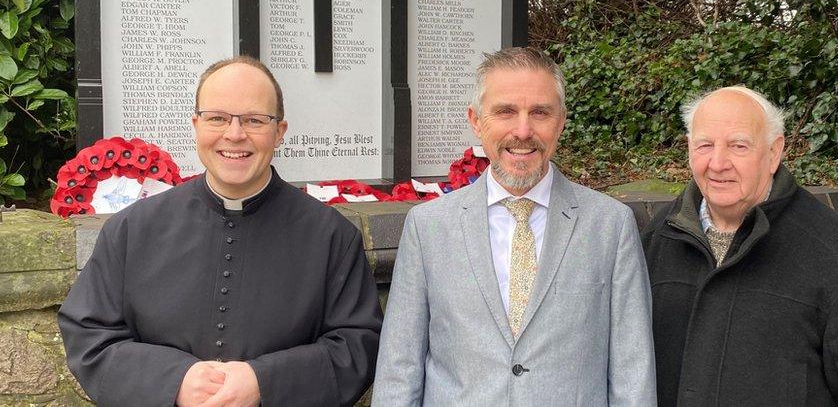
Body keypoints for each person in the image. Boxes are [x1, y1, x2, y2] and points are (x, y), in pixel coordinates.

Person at [58, 56, 383, 407]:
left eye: (255, 120)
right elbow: (88, 334)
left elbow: (358, 345)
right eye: (217, 118)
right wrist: (174, 379)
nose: (234, 134)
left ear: (280, 132)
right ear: (196, 125)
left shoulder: (332, 237)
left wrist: (264, 382)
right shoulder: (131, 229)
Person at [373, 47, 656, 406]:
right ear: (476, 120)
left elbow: (633, 372)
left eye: (540, 112)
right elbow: (400, 368)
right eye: (505, 111)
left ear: (561, 121)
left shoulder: (611, 226)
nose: (523, 131)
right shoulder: (428, 228)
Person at [641, 85, 838, 406]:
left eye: (738, 146)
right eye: (705, 145)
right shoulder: (658, 238)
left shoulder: (835, 253)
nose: (718, 162)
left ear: (773, 152)